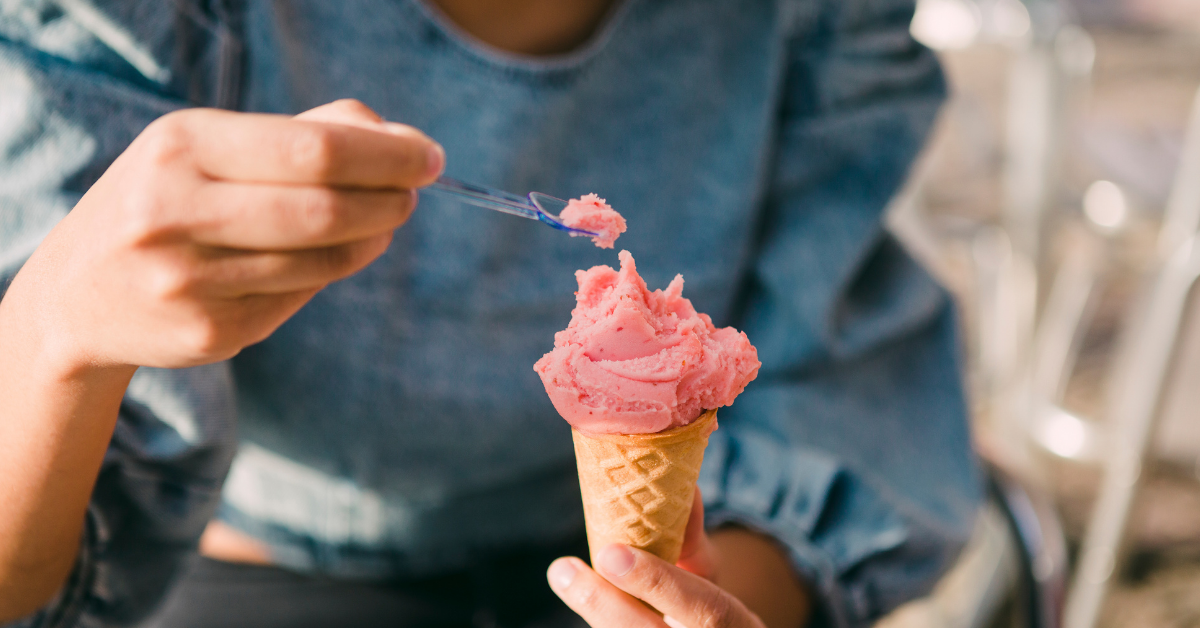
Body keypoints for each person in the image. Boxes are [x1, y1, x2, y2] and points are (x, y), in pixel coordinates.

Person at [0, 1, 983, 627]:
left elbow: (833, 392)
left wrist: (709, 602)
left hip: (628, 573)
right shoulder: (125, 22)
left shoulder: (808, 25)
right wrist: (52, 332)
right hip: (244, 573)